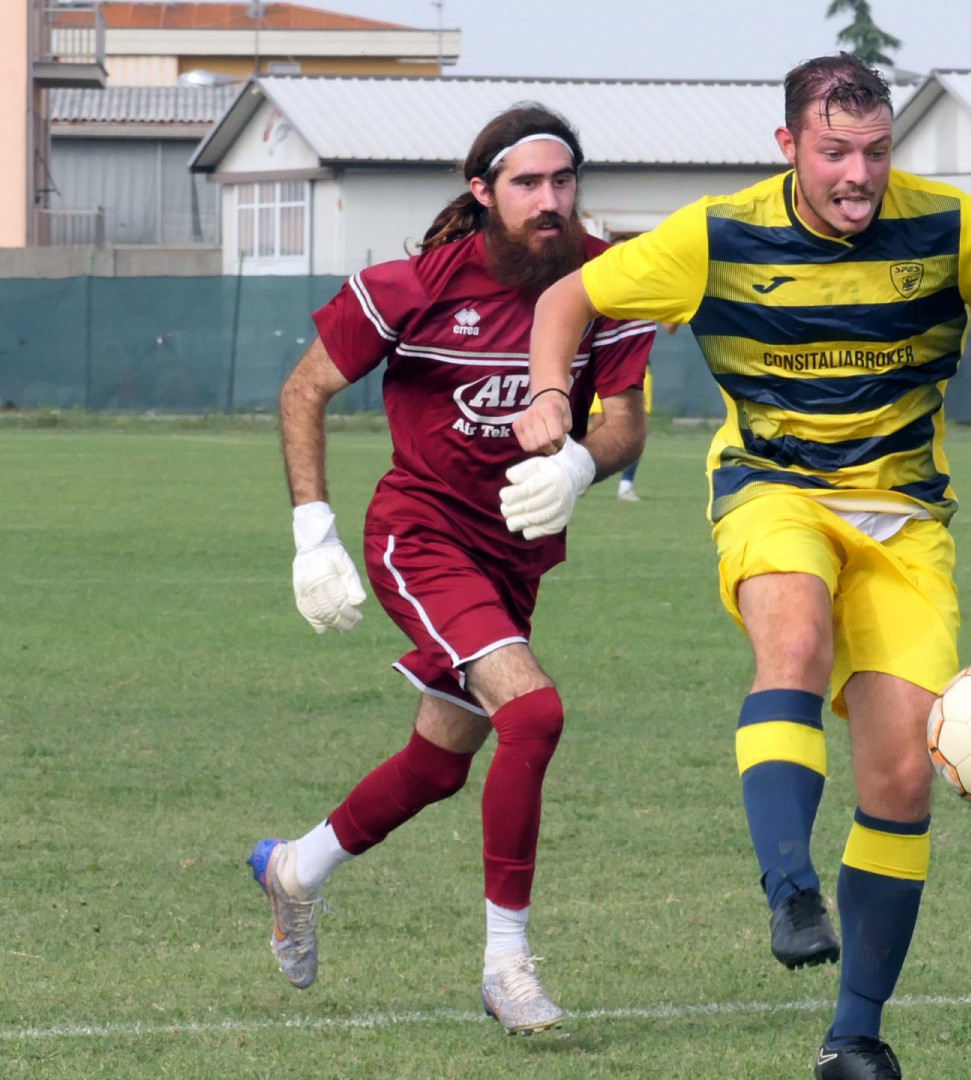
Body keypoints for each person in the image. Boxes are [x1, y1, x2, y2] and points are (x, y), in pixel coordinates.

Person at [510, 53, 971, 1080]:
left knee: (904, 776)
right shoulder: (717, 235)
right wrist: (551, 394)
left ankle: (853, 1035)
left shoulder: (948, 226)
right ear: (788, 150)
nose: (858, 174)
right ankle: (789, 889)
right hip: (773, 489)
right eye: (833, 153)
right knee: (797, 638)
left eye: (876, 151)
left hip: (906, 521)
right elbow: (566, 303)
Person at [250, 104, 652, 1035]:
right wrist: (315, 533)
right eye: (526, 185)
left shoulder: (610, 282)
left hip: (517, 556)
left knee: (439, 764)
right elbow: (303, 387)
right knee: (535, 714)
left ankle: (294, 870)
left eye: (563, 182)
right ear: (482, 194)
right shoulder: (413, 286)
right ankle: (506, 966)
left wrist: (582, 463)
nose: (549, 203)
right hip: (421, 535)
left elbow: (627, 419)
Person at [589, 367, 652, 501]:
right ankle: (581, 476)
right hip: (606, 365)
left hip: (637, 368)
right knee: (598, 425)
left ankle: (626, 486)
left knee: (635, 428)